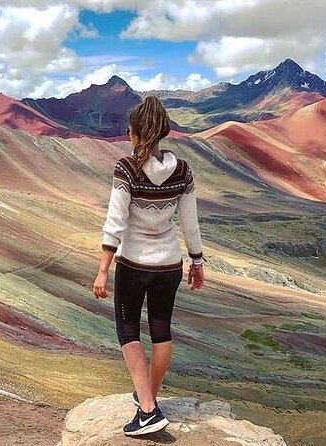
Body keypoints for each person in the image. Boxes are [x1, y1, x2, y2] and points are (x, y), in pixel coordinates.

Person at [93, 96, 205, 437]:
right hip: (169, 264)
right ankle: (149, 400)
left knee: (128, 332)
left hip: (133, 264)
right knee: (162, 332)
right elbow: (190, 223)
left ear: (137, 133)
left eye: (129, 129)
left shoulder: (126, 169)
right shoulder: (183, 171)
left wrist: (102, 270)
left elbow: (115, 221)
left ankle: (147, 411)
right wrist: (197, 262)